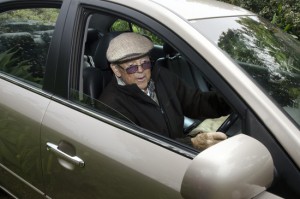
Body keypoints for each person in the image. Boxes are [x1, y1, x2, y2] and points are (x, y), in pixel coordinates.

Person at [99, 32, 231, 150]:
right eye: (132, 68)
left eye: (145, 63)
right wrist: (191, 144)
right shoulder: (110, 105)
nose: (141, 71)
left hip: (180, 149)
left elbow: (197, 102)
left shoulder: (163, 77)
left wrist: (231, 100)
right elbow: (141, 150)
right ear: (116, 70)